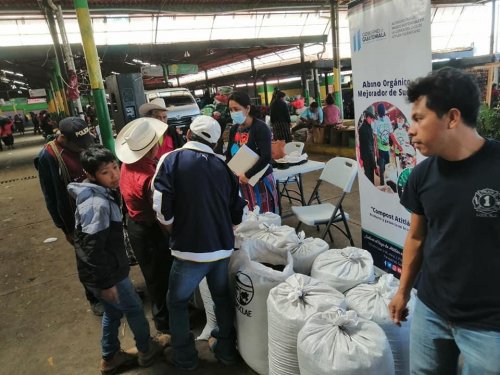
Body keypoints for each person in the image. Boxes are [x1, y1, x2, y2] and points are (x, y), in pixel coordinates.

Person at [388, 67, 500, 374]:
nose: (410, 129)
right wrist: (403, 291)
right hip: (431, 309)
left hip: (490, 325)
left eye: (419, 118)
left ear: (452, 118)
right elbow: (416, 237)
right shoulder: (422, 175)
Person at [153, 115, 246, 370]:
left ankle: (185, 357)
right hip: (221, 248)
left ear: (187, 134)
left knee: (177, 301)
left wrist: (174, 228)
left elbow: (161, 207)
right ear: (215, 143)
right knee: (221, 297)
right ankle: (226, 351)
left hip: (189, 251)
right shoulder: (225, 167)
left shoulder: (171, 159)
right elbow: (238, 211)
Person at [67, 145, 162, 375]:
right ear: (91, 175)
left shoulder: (99, 193)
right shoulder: (96, 204)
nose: (114, 175)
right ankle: (146, 349)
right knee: (134, 309)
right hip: (108, 273)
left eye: (115, 167)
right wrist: (106, 284)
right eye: (105, 172)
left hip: (106, 270)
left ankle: (110, 356)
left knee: (113, 312)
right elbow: (93, 249)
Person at [36, 117, 104, 315]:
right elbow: (50, 194)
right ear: (62, 137)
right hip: (75, 219)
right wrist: (64, 228)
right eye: (77, 145)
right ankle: (94, 297)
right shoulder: (49, 156)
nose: (81, 148)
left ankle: (113, 290)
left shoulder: (85, 143)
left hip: (97, 210)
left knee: (105, 254)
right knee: (86, 260)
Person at [115, 117, 173, 342]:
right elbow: (160, 214)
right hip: (150, 231)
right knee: (160, 277)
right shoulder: (148, 178)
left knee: (151, 275)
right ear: (152, 147)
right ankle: (165, 323)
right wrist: (172, 232)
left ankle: (163, 315)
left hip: (134, 225)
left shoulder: (128, 165)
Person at [226, 91, 278, 213]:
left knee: (264, 214)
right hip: (242, 179)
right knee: (249, 213)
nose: (233, 113)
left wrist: (248, 175)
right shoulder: (234, 129)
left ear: (247, 108)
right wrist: (231, 172)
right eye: (230, 110)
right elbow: (229, 153)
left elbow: (266, 157)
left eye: (236, 109)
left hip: (259, 179)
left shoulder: (260, 128)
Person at [373, 102, 401, 185]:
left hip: (387, 149)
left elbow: (391, 134)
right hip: (381, 149)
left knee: (386, 168)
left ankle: (387, 183)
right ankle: (382, 184)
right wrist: (377, 151)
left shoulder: (386, 119)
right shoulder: (376, 121)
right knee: (382, 168)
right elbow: (375, 137)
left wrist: (398, 145)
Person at [358, 106, 377, 184]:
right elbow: (369, 150)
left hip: (367, 158)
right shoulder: (364, 129)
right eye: (371, 118)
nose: (372, 120)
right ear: (367, 117)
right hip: (368, 159)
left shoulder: (368, 127)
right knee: (369, 179)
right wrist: (375, 165)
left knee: (369, 178)